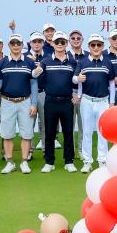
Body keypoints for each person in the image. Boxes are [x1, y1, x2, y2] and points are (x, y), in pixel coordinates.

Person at [0, 34, 38, 174]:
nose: (16, 46)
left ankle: (24, 161)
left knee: (26, 134)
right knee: (7, 134)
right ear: (9, 46)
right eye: (13, 43)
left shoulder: (29, 62)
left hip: (25, 101)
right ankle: (10, 162)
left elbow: (34, 84)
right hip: (7, 102)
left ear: (22, 45)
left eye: (18, 43)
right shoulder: (2, 63)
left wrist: (34, 104)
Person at [37, 31, 78, 173]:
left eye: (62, 42)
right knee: (49, 133)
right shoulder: (45, 61)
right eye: (57, 42)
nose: (60, 44)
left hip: (67, 102)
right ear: (52, 44)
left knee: (68, 132)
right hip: (51, 101)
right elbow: (40, 81)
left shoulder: (72, 62)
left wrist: (75, 94)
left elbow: (75, 81)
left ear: (66, 44)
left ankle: (69, 161)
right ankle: (49, 162)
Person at [75, 34, 116, 172]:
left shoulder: (108, 62)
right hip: (86, 101)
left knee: (102, 132)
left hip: (103, 101)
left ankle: (102, 160)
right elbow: (75, 79)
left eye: (99, 45)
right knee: (87, 132)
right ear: (89, 47)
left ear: (103, 46)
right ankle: (87, 161)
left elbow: (112, 83)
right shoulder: (82, 62)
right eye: (93, 45)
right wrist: (78, 79)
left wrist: (112, 102)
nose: (96, 47)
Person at [27, 31, 47, 159]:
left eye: (39, 41)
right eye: (34, 41)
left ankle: (46, 149)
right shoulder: (24, 57)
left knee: (45, 123)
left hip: (44, 93)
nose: (37, 44)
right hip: (29, 94)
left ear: (43, 43)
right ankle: (29, 151)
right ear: (30, 43)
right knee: (29, 123)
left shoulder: (48, 57)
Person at [68, 29, 86, 156]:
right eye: (73, 38)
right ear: (69, 41)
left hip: (85, 94)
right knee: (69, 124)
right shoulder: (65, 56)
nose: (76, 40)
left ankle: (81, 150)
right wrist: (71, 93)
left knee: (83, 124)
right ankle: (71, 152)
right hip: (69, 94)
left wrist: (80, 94)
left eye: (78, 38)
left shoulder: (88, 55)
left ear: (82, 40)